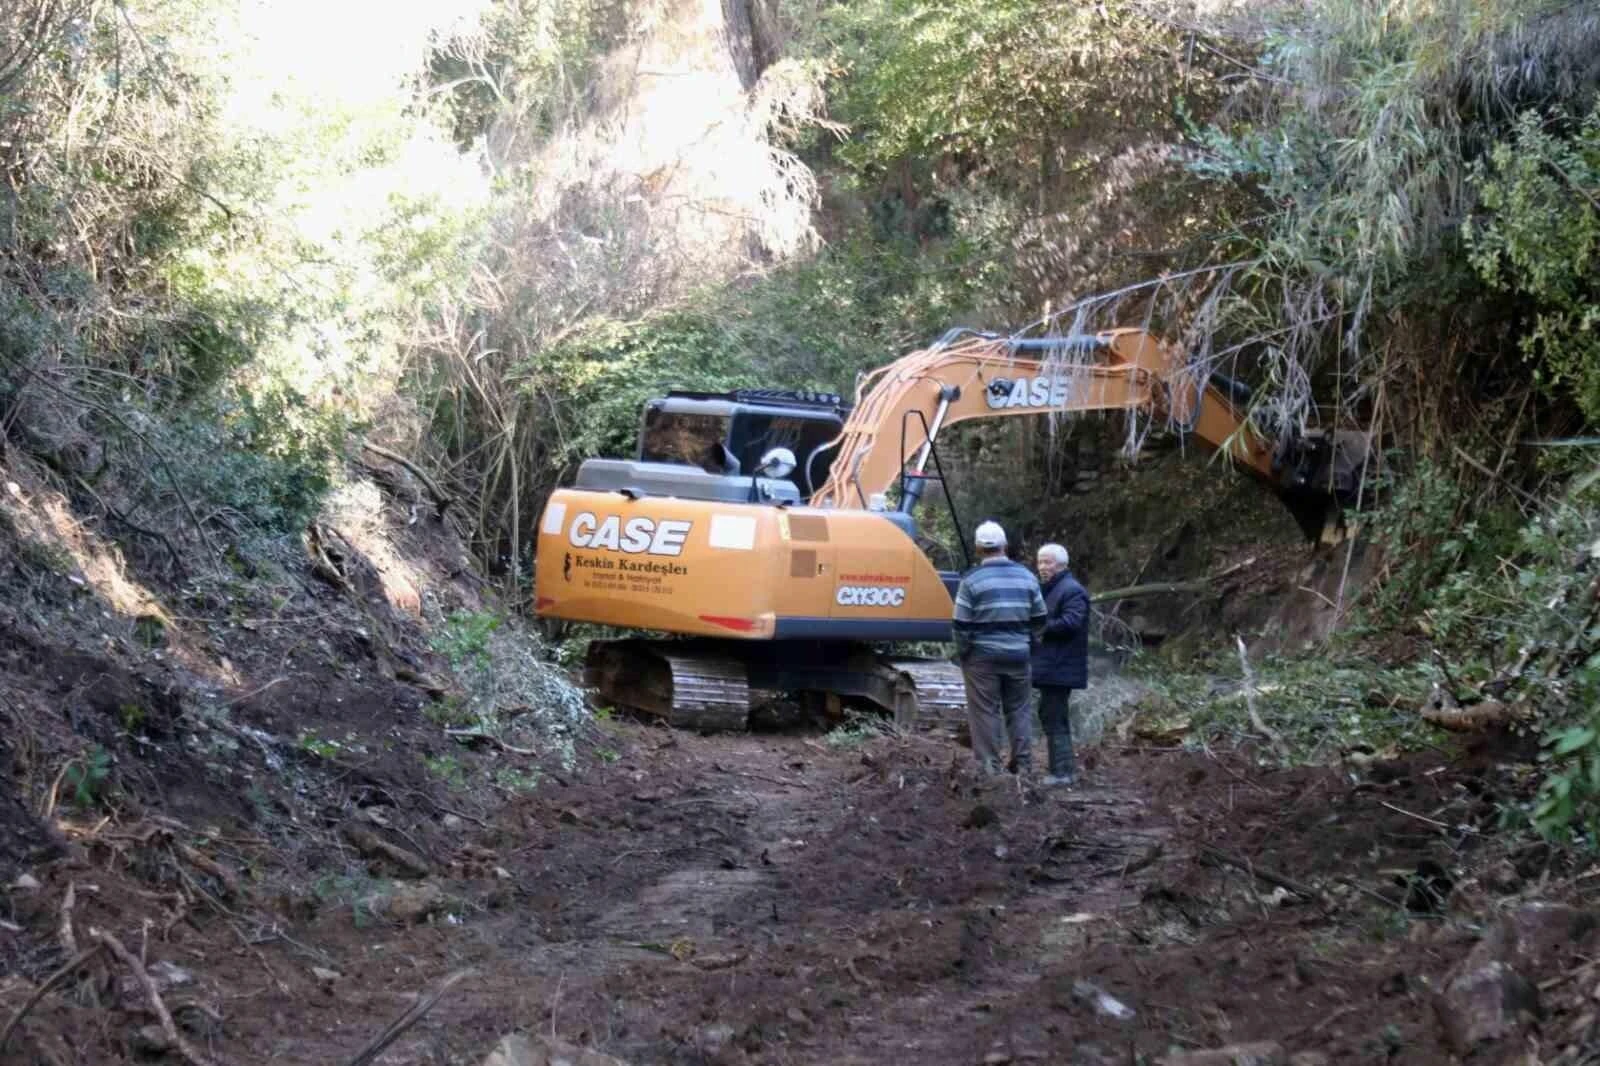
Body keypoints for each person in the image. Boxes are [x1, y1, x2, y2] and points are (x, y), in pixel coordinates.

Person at [952, 520, 1047, 777]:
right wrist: (1029, 644)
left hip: (982, 657)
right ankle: (1023, 767)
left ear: (978, 549)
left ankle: (990, 769)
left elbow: (961, 625)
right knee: (1019, 711)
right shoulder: (1027, 577)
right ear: (1005, 545)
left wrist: (964, 653)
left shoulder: (971, 581)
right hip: (1019, 654)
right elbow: (1040, 619)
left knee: (985, 711)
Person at [1031, 542, 1090, 787]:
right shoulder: (1050, 588)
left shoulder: (1072, 590)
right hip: (1052, 665)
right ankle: (1062, 770)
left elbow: (1072, 622)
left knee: (1054, 716)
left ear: (1062, 564)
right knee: (1051, 714)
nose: (1043, 567)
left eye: (1048, 562)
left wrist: (1041, 628)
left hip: (1061, 665)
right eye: (1040, 561)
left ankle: (1063, 772)